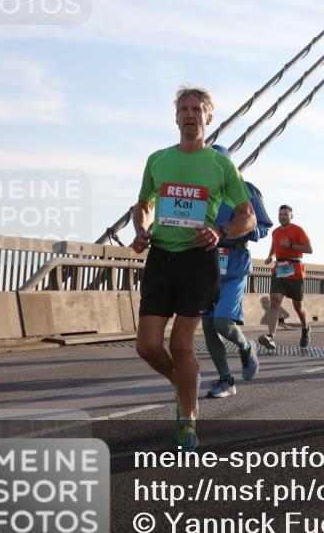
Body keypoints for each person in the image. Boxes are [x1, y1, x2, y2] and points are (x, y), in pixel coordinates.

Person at [132, 86, 256, 451]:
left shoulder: (220, 165)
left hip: (199, 260)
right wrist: (141, 229)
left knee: (180, 343)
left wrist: (221, 232)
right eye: (184, 109)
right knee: (147, 346)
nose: (190, 114)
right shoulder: (158, 160)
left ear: (208, 118)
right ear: (176, 117)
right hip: (161, 257)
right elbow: (143, 204)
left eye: (197, 109)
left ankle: (187, 422)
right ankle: (185, 384)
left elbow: (247, 216)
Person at [202, 145, 273, 398]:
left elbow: (262, 226)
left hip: (235, 263)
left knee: (222, 321)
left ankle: (245, 347)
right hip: (207, 262)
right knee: (208, 326)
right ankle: (226, 380)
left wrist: (245, 231)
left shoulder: (247, 189)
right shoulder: (203, 192)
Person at [260, 205, 313, 349]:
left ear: (291, 216)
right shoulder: (275, 232)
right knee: (274, 300)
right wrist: (270, 256)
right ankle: (271, 336)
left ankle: (305, 328)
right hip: (279, 269)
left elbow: (309, 249)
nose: (282, 217)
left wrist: (290, 245)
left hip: (295, 271)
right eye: (280, 214)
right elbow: (274, 245)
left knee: (298, 306)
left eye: (285, 214)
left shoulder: (298, 230)